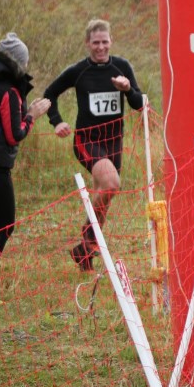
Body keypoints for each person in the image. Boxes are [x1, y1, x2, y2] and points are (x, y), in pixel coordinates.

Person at [44, 19, 144, 271]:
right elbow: (50, 93)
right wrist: (57, 121)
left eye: (104, 42)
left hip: (114, 141)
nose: (101, 47)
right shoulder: (79, 71)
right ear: (87, 43)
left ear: (111, 41)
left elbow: (139, 104)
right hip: (87, 140)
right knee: (111, 185)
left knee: (105, 196)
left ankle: (85, 253)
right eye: (96, 42)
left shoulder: (122, 67)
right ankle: (88, 234)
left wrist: (127, 88)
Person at [0, 33, 51, 306]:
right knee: (4, 224)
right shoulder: (9, 90)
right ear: (20, 63)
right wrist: (32, 114)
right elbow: (14, 135)